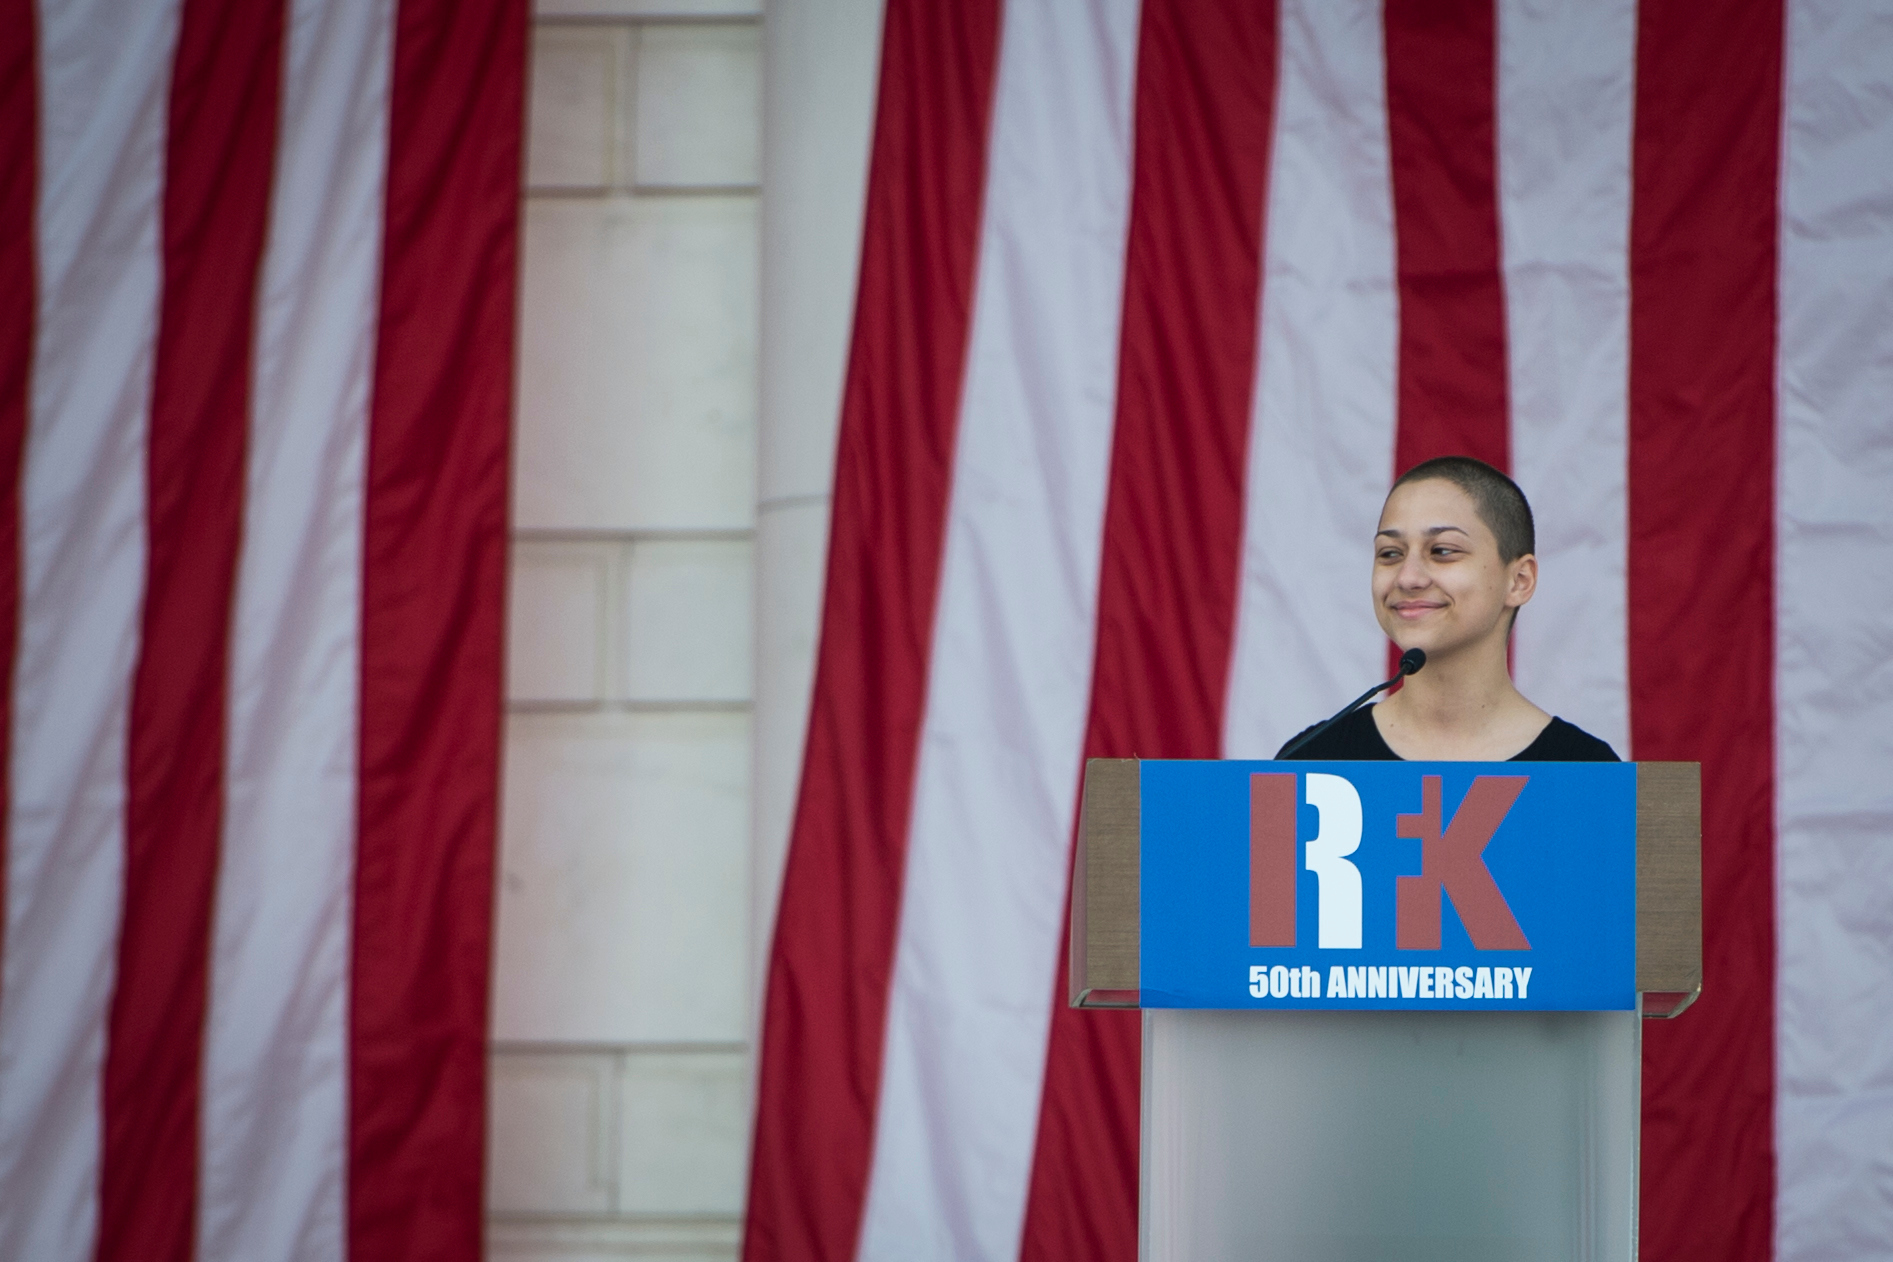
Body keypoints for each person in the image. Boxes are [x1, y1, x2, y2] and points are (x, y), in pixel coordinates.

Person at [1278, 455, 1618, 762]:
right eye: (1390, 553)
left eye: (1442, 551)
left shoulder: (1588, 772)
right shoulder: (1311, 760)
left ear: (1519, 580)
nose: (1408, 578)